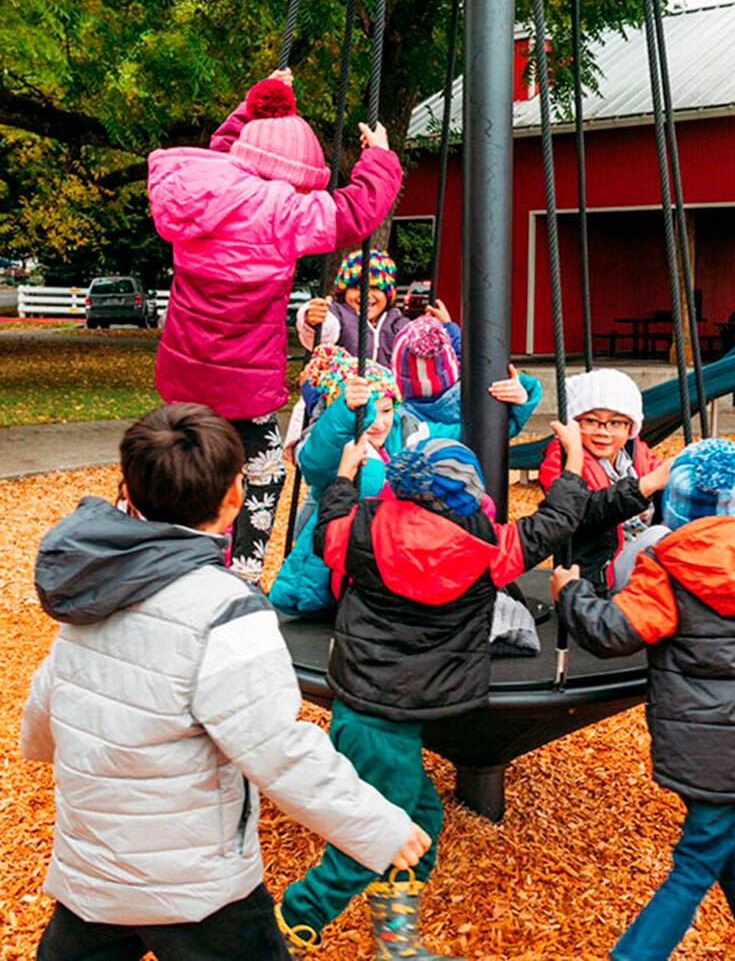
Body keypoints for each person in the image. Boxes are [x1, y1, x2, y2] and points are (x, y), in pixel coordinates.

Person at [21, 404, 429, 961]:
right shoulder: (224, 610)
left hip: (93, 871)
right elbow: (279, 750)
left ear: (127, 489)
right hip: (196, 886)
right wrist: (379, 826)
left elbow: (46, 711)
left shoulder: (92, 585)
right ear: (236, 496)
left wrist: (62, 745)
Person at [275, 424, 591, 957]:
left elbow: (325, 527)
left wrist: (347, 476)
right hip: (387, 722)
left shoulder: (359, 529)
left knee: (420, 820)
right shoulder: (490, 550)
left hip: (368, 703)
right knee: (371, 842)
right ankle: (290, 921)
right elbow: (557, 521)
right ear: (470, 493)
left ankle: (397, 944)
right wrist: (575, 461)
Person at [552, 438, 735, 961]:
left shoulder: (667, 564)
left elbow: (613, 631)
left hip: (692, 740)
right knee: (724, 841)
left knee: (694, 865)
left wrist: (570, 593)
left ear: (677, 505)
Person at [150, 69, 401, 585]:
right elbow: (355, 213)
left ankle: (159, 548)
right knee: (263, 470)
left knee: (177, 462)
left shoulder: (203, 187)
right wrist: (377, 157)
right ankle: (241, 571)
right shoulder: (284, 210)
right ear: (293, 171)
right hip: (244, 383)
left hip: (182, 373)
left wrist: (258, 103)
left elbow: (224, 148)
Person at [269, 348, 403, 617]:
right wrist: (346, 412)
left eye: (386, 410)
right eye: (368, 414)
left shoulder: (396, 442)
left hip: (377, 564)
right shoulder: (342, 451)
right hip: (338, 572)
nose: (378, 423)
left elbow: (448, 428)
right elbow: (314, 459)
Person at [539, 368, 671, 592]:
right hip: (598, 574)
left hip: (636, 561)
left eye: (616, 423)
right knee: (661, 537)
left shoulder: (635, 453)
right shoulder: (562, 458)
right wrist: (644, 486)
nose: (604, 432)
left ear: (630, 427)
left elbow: (663, 472)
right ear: (573, 424)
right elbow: (581, 511)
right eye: (590, 421)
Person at [392, 310, 542, 442]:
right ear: (453, 369)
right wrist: (521, 398)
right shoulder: (479, 393)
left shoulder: (401, 419)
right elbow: (504, 428)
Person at [297, 247, 409, 366]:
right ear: (344, 292)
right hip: (344, 383)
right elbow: (324, 332)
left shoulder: (397, 323)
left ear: (388, 295)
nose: (366, 295)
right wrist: (313, 319)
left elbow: (414, 345)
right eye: (356, 287)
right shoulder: (339, 315)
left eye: (375, 288)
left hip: (388, 384)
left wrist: (429, 329)